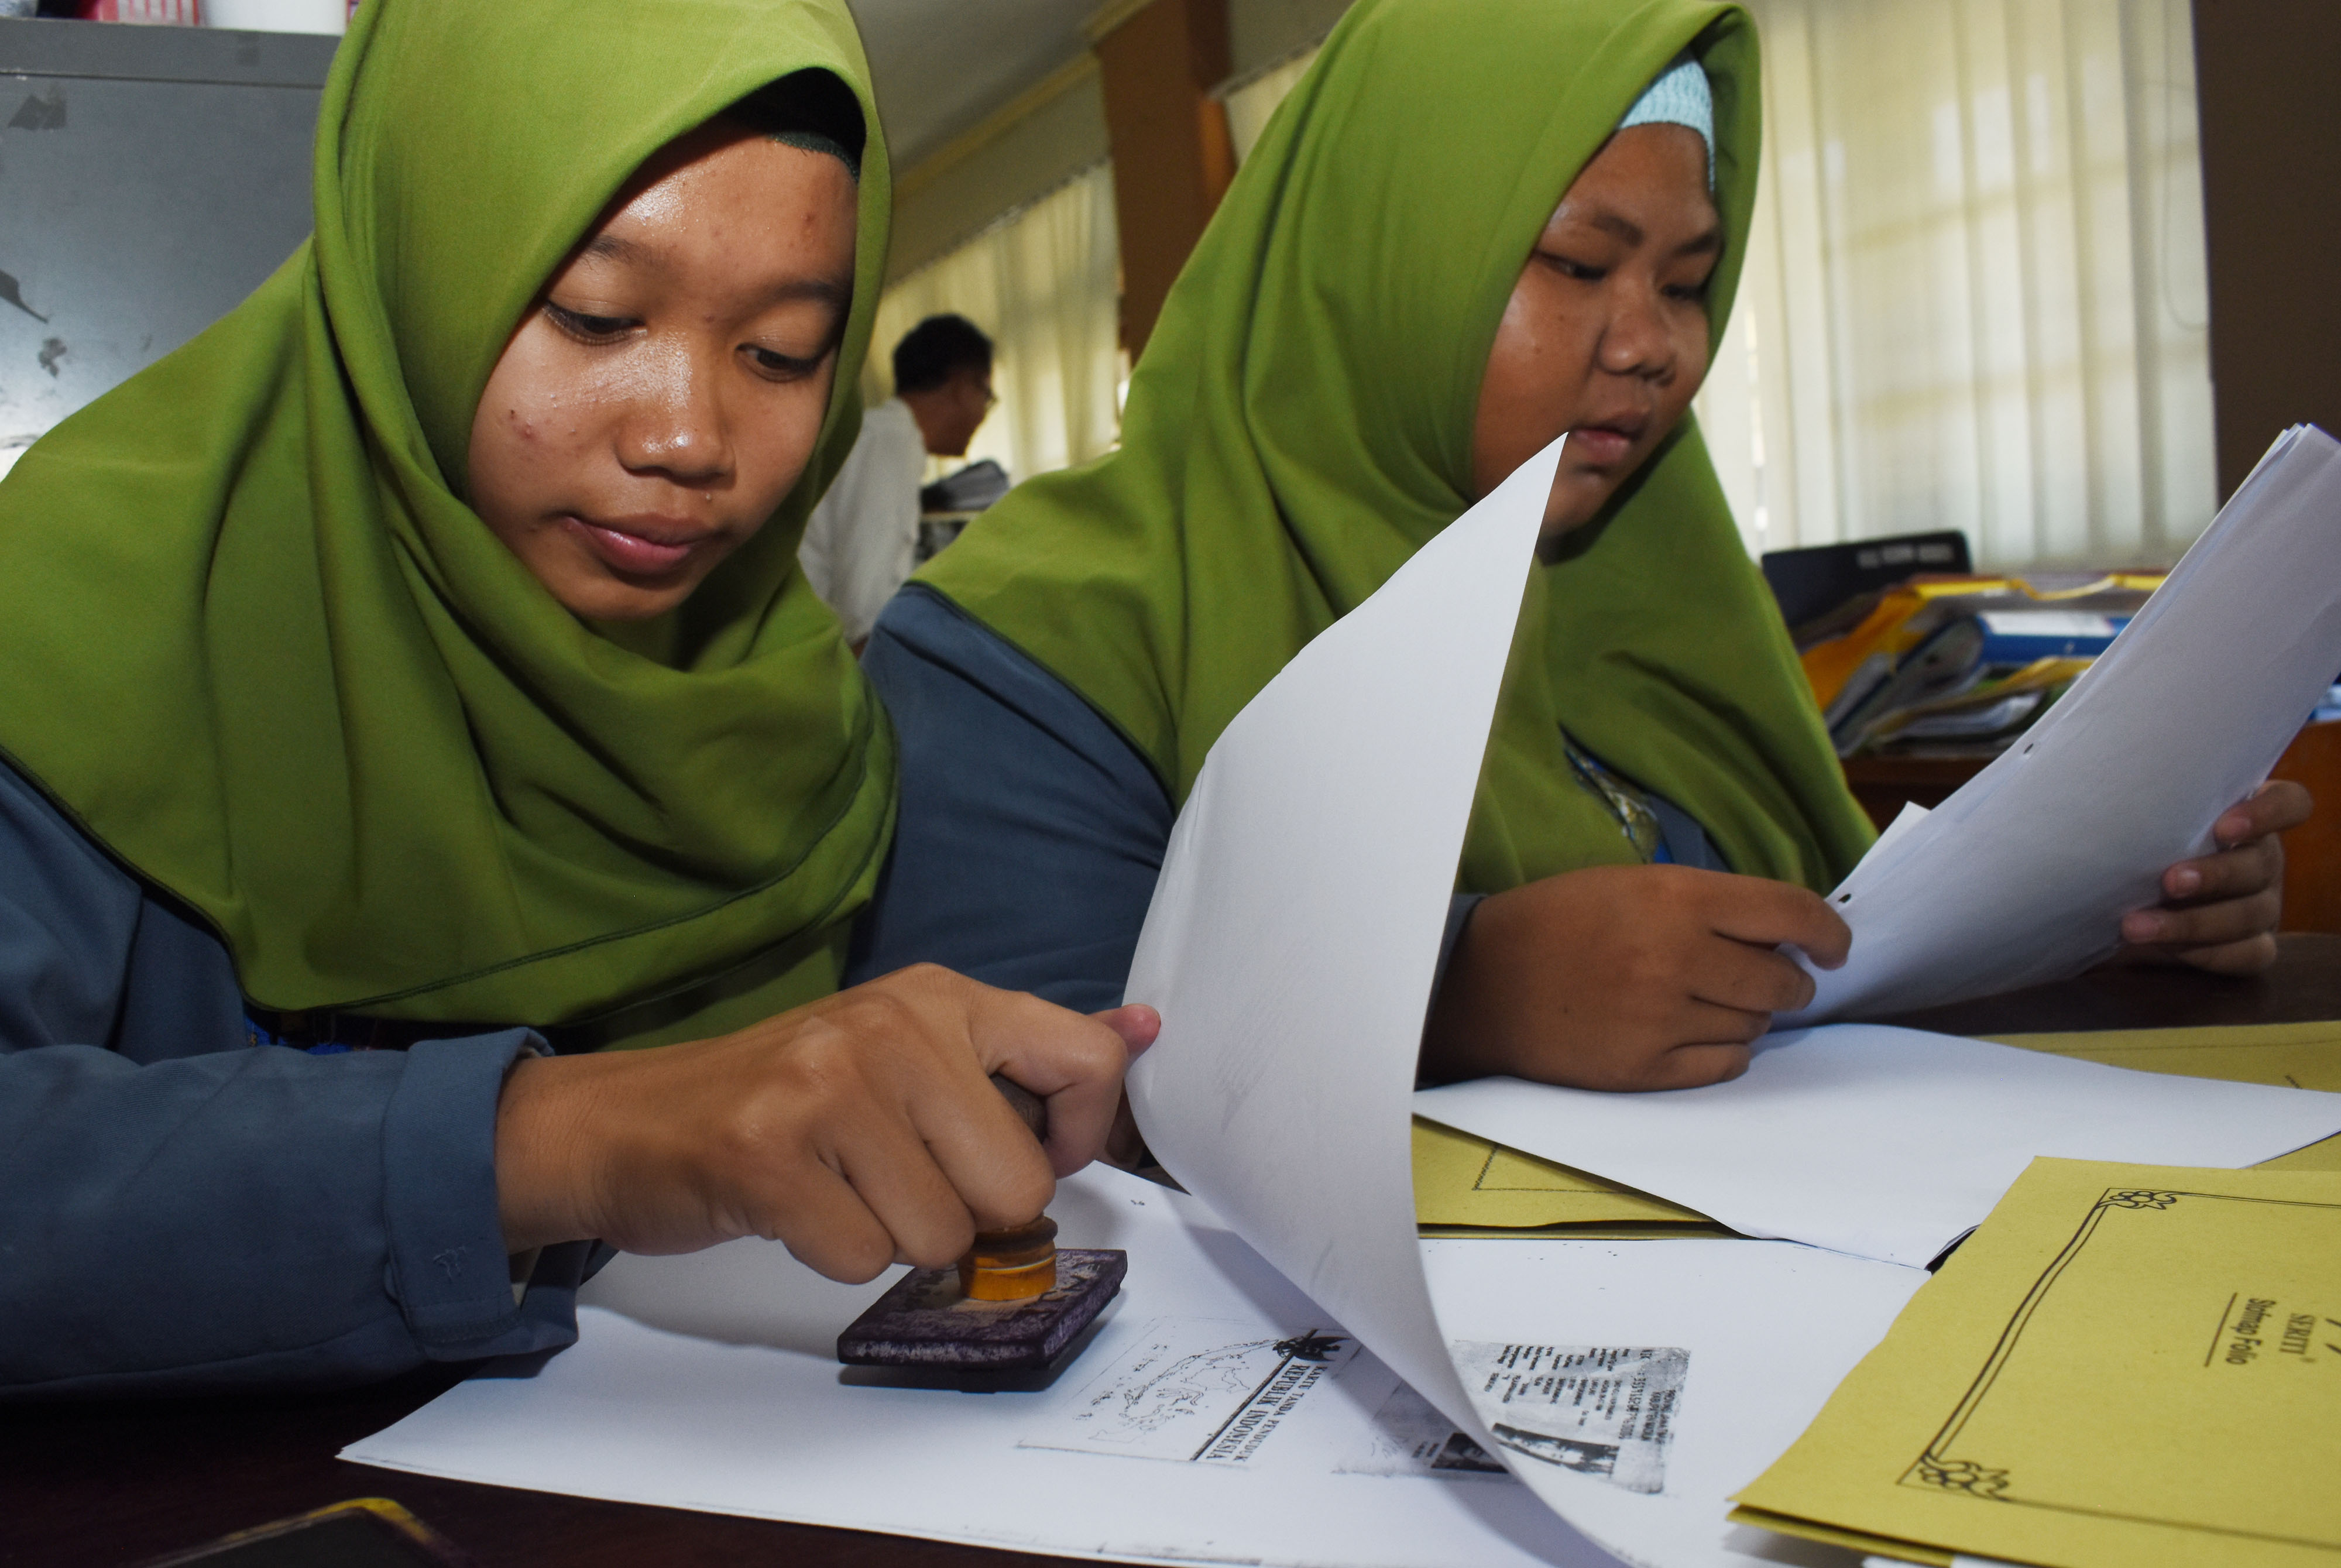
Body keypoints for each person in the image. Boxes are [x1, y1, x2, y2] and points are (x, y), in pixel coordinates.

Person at [0, 0, 1150, 1400]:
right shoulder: (74, 615)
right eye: (598, 317)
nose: (688, 436)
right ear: (416, 274)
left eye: (783, 351)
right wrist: (568, 1137)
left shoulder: (784, 711)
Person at [851, 0, 2305, 1093]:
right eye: (1572, 264)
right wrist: (1455, 997)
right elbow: (991, 1106)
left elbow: (1830, 968)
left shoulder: (1652, 603)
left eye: (1686, 281)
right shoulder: (1040, 642)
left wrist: (2077, 929)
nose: (1652, 347)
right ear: (1381, 261)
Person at [799, 314, 998, 646]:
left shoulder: (878, 435)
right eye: (987, 395)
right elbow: (867, 621)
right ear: (963, 384)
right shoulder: (890, 446)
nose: (983, 414)